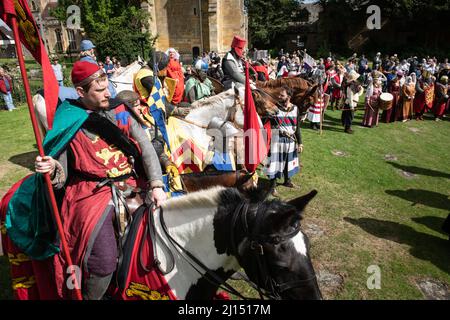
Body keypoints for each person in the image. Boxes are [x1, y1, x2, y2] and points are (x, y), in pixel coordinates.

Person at [33, 61, 166, 299]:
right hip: (90, 193)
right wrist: (51, 167)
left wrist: (157, 184)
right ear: (81, 92)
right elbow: (60, 176)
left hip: (133, 185)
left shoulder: (120, 111)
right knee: (103, 262)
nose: (108, 93)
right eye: (100, 90)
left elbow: (145, 148)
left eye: (107, 87)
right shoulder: (68, 119)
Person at [265, 86, 303, 196]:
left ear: (289, 97)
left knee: (289, 162)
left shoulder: (295, 109)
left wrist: (300, 142)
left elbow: (298, 127)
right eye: (279, 95)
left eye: (282, 95)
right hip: (277, 140)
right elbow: (268, 125)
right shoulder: (274, 109)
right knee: (275, 163)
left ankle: (287, 181)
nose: (279, 97)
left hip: (291, 140)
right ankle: (272, 187)